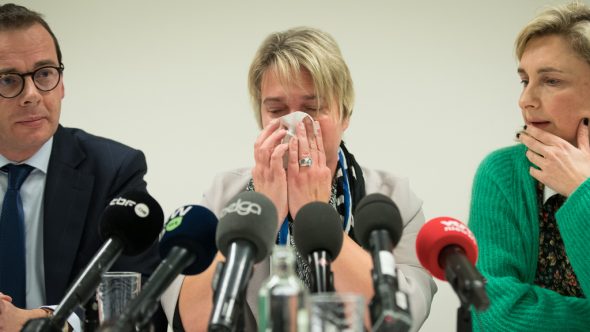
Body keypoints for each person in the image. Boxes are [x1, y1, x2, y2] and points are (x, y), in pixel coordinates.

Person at [167, 26, 436, 331]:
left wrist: (315, 211)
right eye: (276, 109)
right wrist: (264, 207)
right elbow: (194, 323)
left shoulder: (393, 198)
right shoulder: (225, 193)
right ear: (261, 117)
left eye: (312, 108)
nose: (295, 123)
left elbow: (403, 319)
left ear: (345, 114)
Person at [0, 4, 165, 331]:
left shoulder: (113, 170)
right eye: (8, 80)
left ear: (61, 84)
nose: (32, 95)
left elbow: (143, 296)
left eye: (44, 74)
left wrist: (38, 323)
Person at [469, 2, 590, 330]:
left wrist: (582, 191)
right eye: (525, 80)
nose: (526, 100)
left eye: (550, 81)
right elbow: (493, 316)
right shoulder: (502, 174)